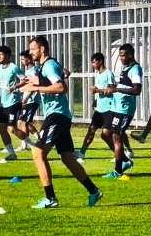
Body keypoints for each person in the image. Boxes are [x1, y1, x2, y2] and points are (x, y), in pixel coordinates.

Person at [20, 36, 103, 209]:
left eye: (33, 49)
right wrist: (32, 82)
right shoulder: (44, 66)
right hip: (61, 116)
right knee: (67, 158)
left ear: (42, 49)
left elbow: (60, 87)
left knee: (37, 153)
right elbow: (59, 75)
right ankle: (94, 191)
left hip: (57, 116)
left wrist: (35, 87)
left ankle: (50, 198)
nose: (30, 52)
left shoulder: (49, 64)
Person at [102, 46, 141, 177]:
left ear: (130, 55)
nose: (121, 58)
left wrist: (117, 90)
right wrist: (113, 87)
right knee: (106, 133)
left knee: (116, 137)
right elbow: (125, 85)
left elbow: (136, 90)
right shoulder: (126, 68)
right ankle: (124, 160)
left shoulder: (135, 69)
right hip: (115, 107)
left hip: (124, 109)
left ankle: (117, 171)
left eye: (123, 55)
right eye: (120, 55)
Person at [0, 45, 31, 163]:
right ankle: (11, 153)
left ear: (8, 56)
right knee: (1, 128)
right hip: (3, 104)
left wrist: (14, 87)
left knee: (11, 128)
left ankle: (34, 145)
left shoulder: (14, 68)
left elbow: (25, 80)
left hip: (13, 102)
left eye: (1, 54)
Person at [76, 53, 115, 164]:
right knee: (91, 130)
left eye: (94, 62)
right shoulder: (97, 74)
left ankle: (119, 153)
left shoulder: (108, 74)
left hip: (109, 109)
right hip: (99, 109)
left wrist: (97, 91)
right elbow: (100, 90)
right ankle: (82, 153)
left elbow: (111, 90)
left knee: (106, 134)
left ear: (100, 61)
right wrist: (96, 100)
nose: (92, 64)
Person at [15, 50, 39, 152]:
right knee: (23, 122)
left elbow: (34, 86)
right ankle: (25, 145)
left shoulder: (33, 71)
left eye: (22, 59)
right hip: (27, 100)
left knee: (25, 123)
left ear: (28, 59)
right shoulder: (27, 71)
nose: (21, 61)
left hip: (31, 100)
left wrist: (25, 99)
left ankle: (40, 138)